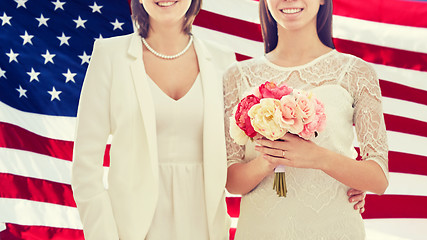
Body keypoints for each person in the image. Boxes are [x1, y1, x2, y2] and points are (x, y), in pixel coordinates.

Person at [71, 0, 236, 239]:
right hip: (131, 231)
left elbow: (238, 154)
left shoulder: (223, 60)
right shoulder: (110, 56)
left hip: (205, 228)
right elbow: (85, 168)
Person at [223, 0, 388, 239]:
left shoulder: (356, 73)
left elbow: (379, 178)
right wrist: (269, 160)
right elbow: (231, 181)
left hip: (334, 229)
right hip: (261, 230)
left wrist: (318, 157)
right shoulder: (236, 76)